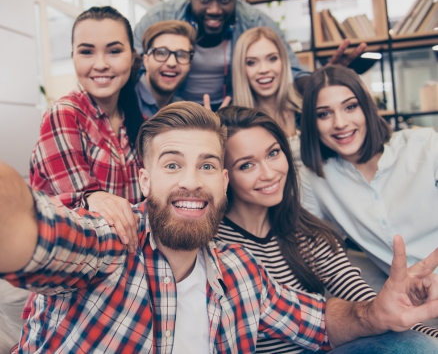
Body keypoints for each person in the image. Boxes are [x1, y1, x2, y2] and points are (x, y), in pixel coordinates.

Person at [5, 102, 438, 352]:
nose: (191, 180)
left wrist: (376, 313)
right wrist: (80, 199)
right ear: (143, 179)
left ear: (222, 181)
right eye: (172, 164)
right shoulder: (108, 241)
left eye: (207, 165)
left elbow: (319, 320)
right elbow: (21, 223)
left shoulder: (238, 273)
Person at [216, 105, 438, 353]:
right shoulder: (214, 246)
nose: (269, 173)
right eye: (246, 165)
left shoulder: (305, 231)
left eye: (273, 153)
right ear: (223, 176)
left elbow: (370, 305)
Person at [134, 0, 366, 109]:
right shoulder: (159, 18)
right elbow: (134, 69)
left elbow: (292, 72)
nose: (214, 10)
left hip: (235, 110)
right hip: (172, 111)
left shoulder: (255, 21)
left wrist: (322, 81)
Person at [299, 65, 438, 276]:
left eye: (350, 107)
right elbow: (307, 248)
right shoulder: (314, 179)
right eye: (324, 114)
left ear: (367, 108)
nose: (340, 123)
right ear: (312, 123)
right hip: (407, 300)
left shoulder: (424, 145)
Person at [30, 6, 144, 213]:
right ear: (73, 56)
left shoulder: (137, 119)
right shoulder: (64, 115)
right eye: (86, 52)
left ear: (133, 55)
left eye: (114, 51)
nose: (100, 64)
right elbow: (84, 213)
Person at [232, 26, 303, 167]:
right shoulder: (235, 125)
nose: (264, 70)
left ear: (283, 62)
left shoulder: (305, 109)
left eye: (272, 59)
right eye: (252, 62)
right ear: (241, 69)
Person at [136, 20, 196, 118]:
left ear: (190, 64)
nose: (171, 63)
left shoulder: (183, 112)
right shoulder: (122, 101)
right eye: (161, 53)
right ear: (146, 61)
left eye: (181, 55)